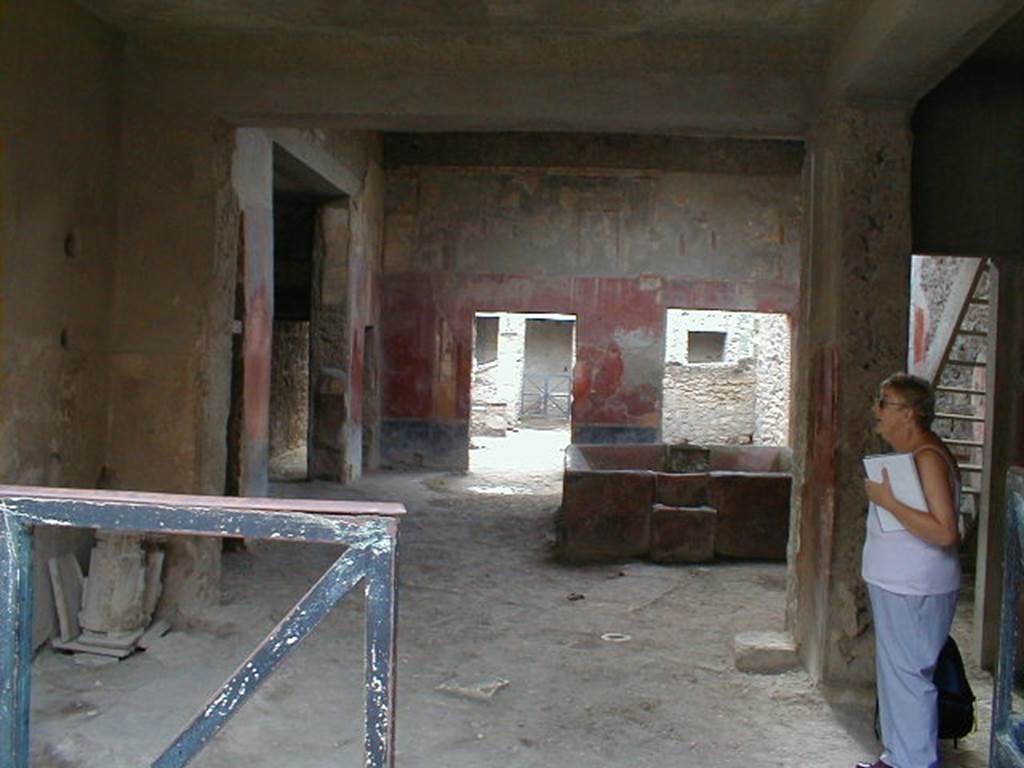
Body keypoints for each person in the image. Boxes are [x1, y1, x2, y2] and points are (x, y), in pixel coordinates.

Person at [857, 373, 961, 768]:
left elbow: (945, 531)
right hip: (903, 582)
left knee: (909, 678)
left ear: (910, 413)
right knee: (899, 676)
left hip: (914, 585)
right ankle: (898, 756)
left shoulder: (928, 458)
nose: (876, 411)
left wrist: (888, 500)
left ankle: (913, 762)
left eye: (885, 403)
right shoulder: (919, 456)